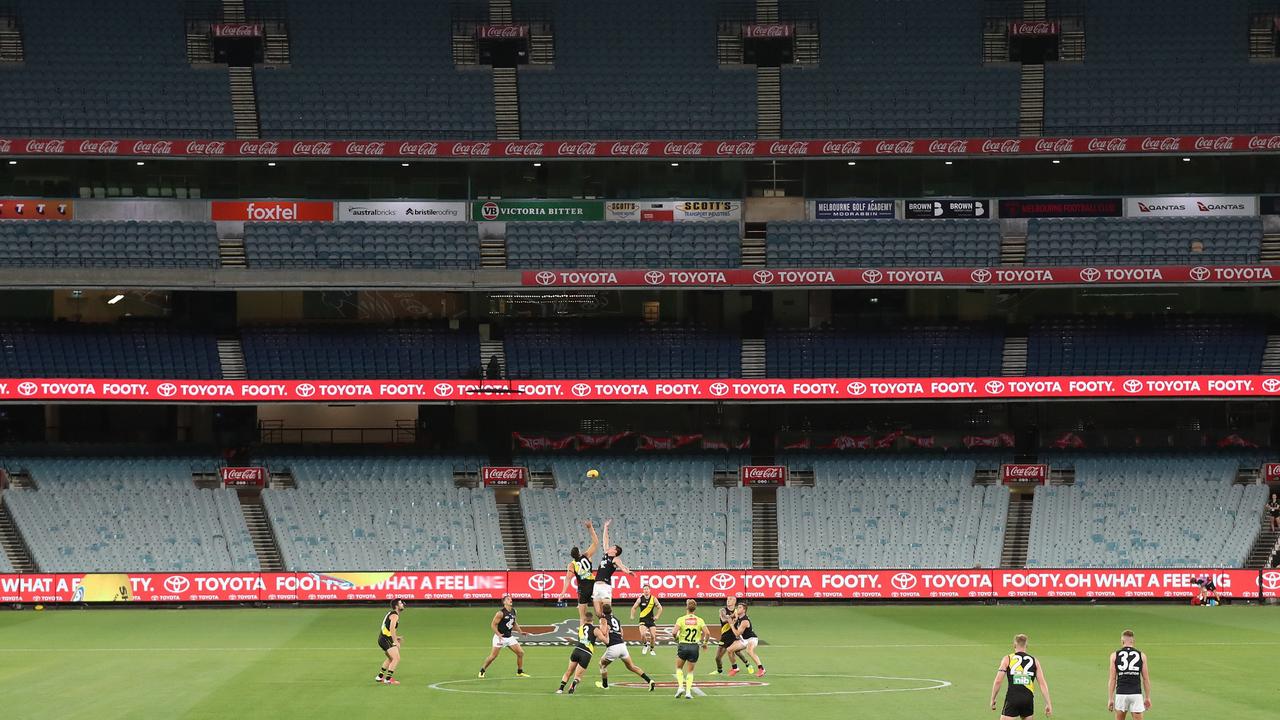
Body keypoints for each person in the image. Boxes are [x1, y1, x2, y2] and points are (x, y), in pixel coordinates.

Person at [594, 602, 656, 691]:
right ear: (611, 611)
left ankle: (605, 685)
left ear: (603, 612)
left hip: (613, 647)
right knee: (632, 666)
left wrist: (603, 631)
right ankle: (649, 680)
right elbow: (622, 632)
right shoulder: (616, 619)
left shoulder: (603, 619)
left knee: (602, 664)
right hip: (622, 646)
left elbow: (603, 632)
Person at [990, 633, 1053, 719]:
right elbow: (1042, 683)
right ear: (1026, 645)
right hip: (1028, 699)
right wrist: (1048, 703)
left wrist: (993, 698)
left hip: (1013, 698)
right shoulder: (1035, 661)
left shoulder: (1008, 659)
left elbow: (998, 681)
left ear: (1014, 645)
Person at [479, 594, 530, 678]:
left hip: (509, 638)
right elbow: (493, 625)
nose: (511, 600)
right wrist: (498, 634)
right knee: (493, 656)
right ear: (504, 602)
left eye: (511, 599)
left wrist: (521, 632)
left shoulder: (514, 611)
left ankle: (519, 672)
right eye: (508, 599)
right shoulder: (500, 613)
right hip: (500, 638)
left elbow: (514, 623)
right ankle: (482, 670)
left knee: (520, 653)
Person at [593, 519, 636, 616]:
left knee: (607, 611)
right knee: (598, 613)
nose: (609, 547)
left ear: (615, 551)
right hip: (596, 585)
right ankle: (603, 627)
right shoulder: (606, 555)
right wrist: (606, 527)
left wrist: (628, 572)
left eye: (612, 547)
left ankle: (612, 628)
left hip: (605, 586)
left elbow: (622, 567)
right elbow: (605, 540)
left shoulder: (615, 559)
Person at [1108, 629, 1151, 720]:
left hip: (1121, 693)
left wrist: (1110, 698)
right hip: (1136, 694)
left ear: (1122, 641)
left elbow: (1112, 679)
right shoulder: (1141, 655)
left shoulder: (1114, 655)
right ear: (1133, 641)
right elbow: (1146, 679)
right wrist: (1147, 697)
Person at [562, 520, 599, 624]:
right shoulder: (586, 556)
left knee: (582, 616)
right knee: (599, 613)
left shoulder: (572, 565)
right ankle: (605, 630)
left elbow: (567, 579)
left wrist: (563, 592)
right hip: (593, 586)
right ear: (579, 552)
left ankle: (582, 636)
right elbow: (596, 542)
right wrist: (590, 527)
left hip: (583, 589)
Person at [671, 599, 710, 699]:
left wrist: (676, 638)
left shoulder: (681, 619)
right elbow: (708, 633)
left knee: (679, 668)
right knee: (690, 671)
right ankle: (688, 692)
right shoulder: (699, 620)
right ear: (695, 608)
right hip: (694, 647)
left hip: (683, 645)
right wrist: (705, 643)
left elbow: (674, 632)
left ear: (686, 607)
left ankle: (680, 687)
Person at [557, 610, 597, 695]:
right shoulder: (595, 629)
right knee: (578, 676)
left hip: (577, 650)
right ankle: (574, 684)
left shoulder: (581, 627)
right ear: (592, 619)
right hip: (586, 653)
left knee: (569, 671)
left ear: (585, 619)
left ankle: (560, 689)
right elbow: (604, 639)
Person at [712, 595, 753, 675]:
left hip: (734, 635)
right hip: (725, 636)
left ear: (734, 602)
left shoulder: (738, 611)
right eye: (727, 599)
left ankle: (748, 665)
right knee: (717, 658)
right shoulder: (723, 610)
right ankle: (719, 671)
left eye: (730, 599)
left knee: (737, 652)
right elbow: (723, 620)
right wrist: (732, 616)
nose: (728, 600)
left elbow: (744, 619)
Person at [725, 602, 765, 677]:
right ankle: (735, 668)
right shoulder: (738, 614)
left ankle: (761, 669)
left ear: (744, 610)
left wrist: (731, 624)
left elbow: (737, 634)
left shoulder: (744, 621)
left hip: (751, 639)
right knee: (729, 650)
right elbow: (732, 615)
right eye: (738, 607)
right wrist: (729, 616)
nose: (737, 609)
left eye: (740, 607)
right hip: (744, 640)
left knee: (749, 651)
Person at [375, 599, 405, 685]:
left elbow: (388, 629)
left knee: (391, 658)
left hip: (383, 638)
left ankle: (380, 677)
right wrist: (395, 641)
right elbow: (391, 628)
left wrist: (396, 637)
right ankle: (388, 680)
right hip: (386, 639)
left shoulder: (392, 614)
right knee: (396, 658)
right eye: (400, 603)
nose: (402, 604)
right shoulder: (395, 615)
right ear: (396, 606)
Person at [630, 584, 663, 655]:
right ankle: (645, 645)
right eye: (645, 589)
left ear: (650, 590)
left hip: (651, 620)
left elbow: (660, 608)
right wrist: (632, 615)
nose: (646, 590)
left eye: (647, 589)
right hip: (643, 620)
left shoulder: (653, 598)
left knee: (653, 636)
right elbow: (633, 608)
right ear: (643, 590)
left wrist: (657, 616)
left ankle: (651, 649)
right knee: (642, 634)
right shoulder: (640, 599)